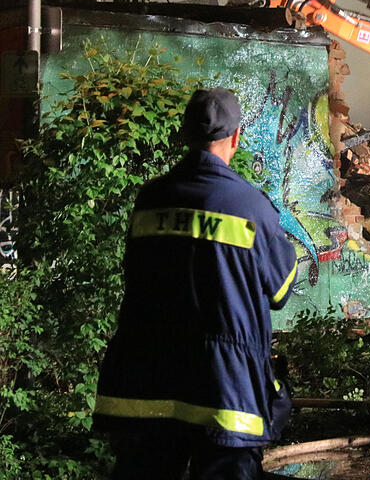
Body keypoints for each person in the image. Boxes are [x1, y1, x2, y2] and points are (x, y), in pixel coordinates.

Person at [93, 87, 299, 480]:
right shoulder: (251, 208)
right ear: (235, 138)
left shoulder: (150, 200)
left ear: (185, 135)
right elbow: (280, 291)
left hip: (146, 384)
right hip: (225, 391)